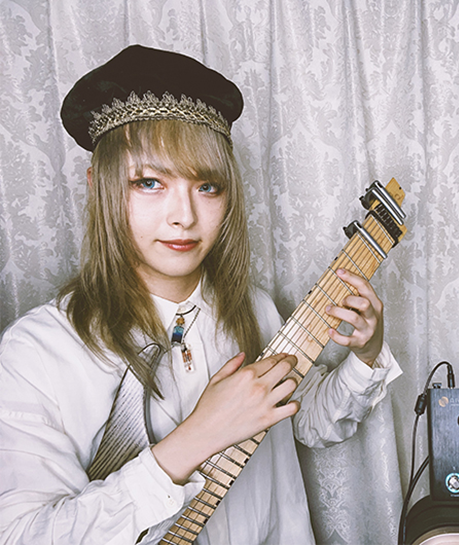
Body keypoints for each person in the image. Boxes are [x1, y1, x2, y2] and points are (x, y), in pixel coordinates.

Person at [0, 45, 401, 544]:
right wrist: (197, 437)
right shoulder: (36, 351)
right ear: (98, 187)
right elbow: (24, 535)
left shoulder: (253, 308)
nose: (184, 217)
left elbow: (310, 423)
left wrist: (365, 355)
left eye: (207, 186)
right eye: (150, 183)